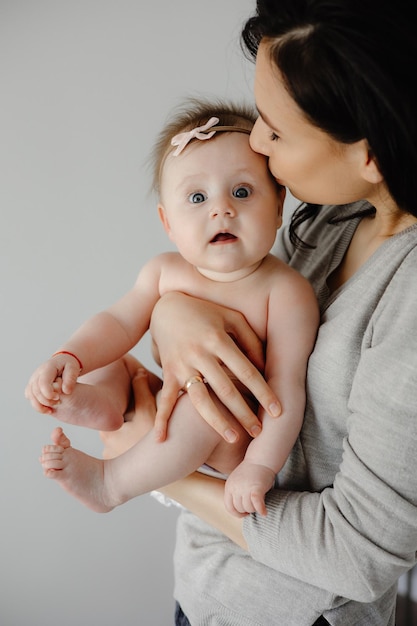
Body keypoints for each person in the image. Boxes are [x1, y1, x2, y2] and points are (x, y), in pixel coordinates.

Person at [97, 1, 417, 625]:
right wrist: (173, 310)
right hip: (206, 585)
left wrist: (149, 471)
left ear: (370, 154)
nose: (256, 144)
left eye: (275, 128)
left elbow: (357, 555)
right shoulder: (335, 217)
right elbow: (244, 299)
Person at [25, 98, 319, 517]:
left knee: (208, 405)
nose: (222, 209)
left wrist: (259, 465)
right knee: (117, 360)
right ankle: (103, 403)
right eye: (197, 197)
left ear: (277, 208)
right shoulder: (165, 272)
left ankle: (112, 483)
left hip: (233, 434)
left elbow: (286, 389)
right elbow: (118, 321)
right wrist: (69, 356)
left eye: (241, 191)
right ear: (168, 224)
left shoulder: (286, 292)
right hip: (170, 403)